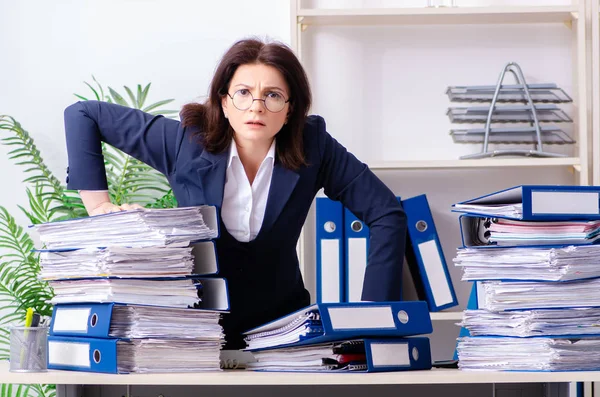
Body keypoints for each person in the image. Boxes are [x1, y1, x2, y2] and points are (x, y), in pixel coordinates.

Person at [63, 38, 407, 349]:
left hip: (285, 335)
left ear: (289, 110)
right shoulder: (186, 143)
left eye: (272, 95)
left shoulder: (314, 147)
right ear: (224, 102)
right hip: (196, 332)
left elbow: (386, 214)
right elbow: (83, 115)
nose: (256, 107)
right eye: (243, 93)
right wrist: (99, 208)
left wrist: (374, 324)